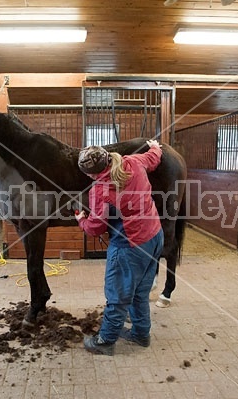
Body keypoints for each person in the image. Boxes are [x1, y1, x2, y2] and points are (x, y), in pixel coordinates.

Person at [75, 139, 164, 355]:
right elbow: (153, 159)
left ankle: (105, 341)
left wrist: (81, 219)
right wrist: (155, 147)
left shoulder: (100, 191)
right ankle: (141, 334)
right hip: (154, 235)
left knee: (117, 295)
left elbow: (96, 228)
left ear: (91, 174)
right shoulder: (133, 161)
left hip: (129, 245)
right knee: (139, 293)